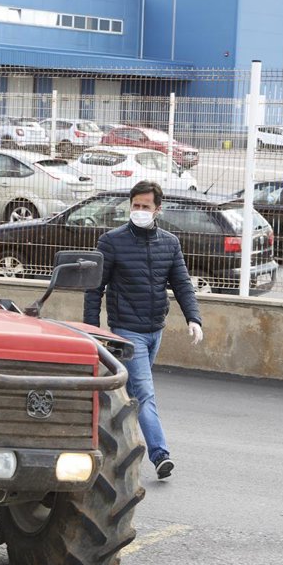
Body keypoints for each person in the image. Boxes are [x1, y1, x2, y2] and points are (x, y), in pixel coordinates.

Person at [84, 180, 204, 480]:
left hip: (155, 330)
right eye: (135, 205)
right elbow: (94, 288)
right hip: (127, 331)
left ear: (157, 209)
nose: (139, 210)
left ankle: (101, 440)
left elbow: (182, 284)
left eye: (145, 206)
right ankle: (160, 455)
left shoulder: (169, 243)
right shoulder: (112, 241)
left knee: (129, 395)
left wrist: (194, 318)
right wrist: (91, 329)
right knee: (145, 393)